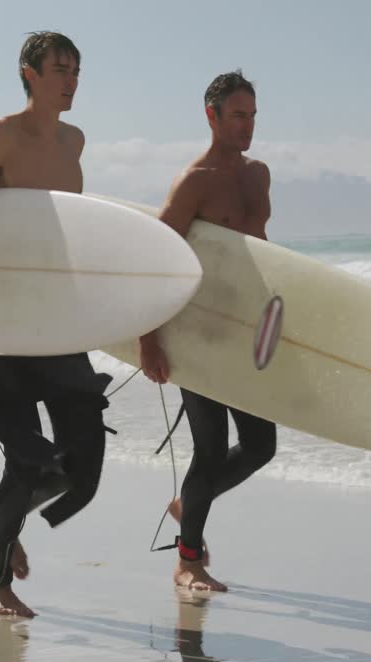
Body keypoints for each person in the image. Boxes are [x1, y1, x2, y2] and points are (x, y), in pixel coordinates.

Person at [0, 31, 111, 619]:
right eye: (60, 69)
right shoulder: (1, 138)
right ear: (29, 73)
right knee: (30, 457)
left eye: (77, 70)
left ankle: (7, 512)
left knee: (84, 468)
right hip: (5, 320)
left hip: (57, 319)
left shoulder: (76, 141)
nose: (71, 79)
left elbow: (66, 233)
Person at [138, 70, 277, 592]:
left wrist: (276, 317)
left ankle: (188, 505)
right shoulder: (194, 181)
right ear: (212, 116)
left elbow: (262, 251)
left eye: (253, 116)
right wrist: (148, 340)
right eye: (238, 116)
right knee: (211, 451)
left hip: (244, 327)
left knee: (261, 445)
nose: (248, 126)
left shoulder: (259, 175)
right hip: (197, 330)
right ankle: (188, 561)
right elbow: (157, 256)